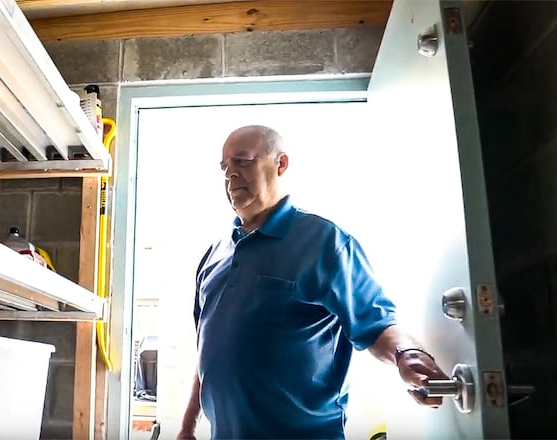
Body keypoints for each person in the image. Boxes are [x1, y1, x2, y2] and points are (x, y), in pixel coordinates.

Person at [176, 125, 449, 440]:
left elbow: (377, 325)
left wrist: (408, 355)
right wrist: (186, 428)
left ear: (281, 164)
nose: (230, 175)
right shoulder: (215, 253)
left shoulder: (325, 243)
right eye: (225, 167)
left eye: (243, 161)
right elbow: (208, 351)